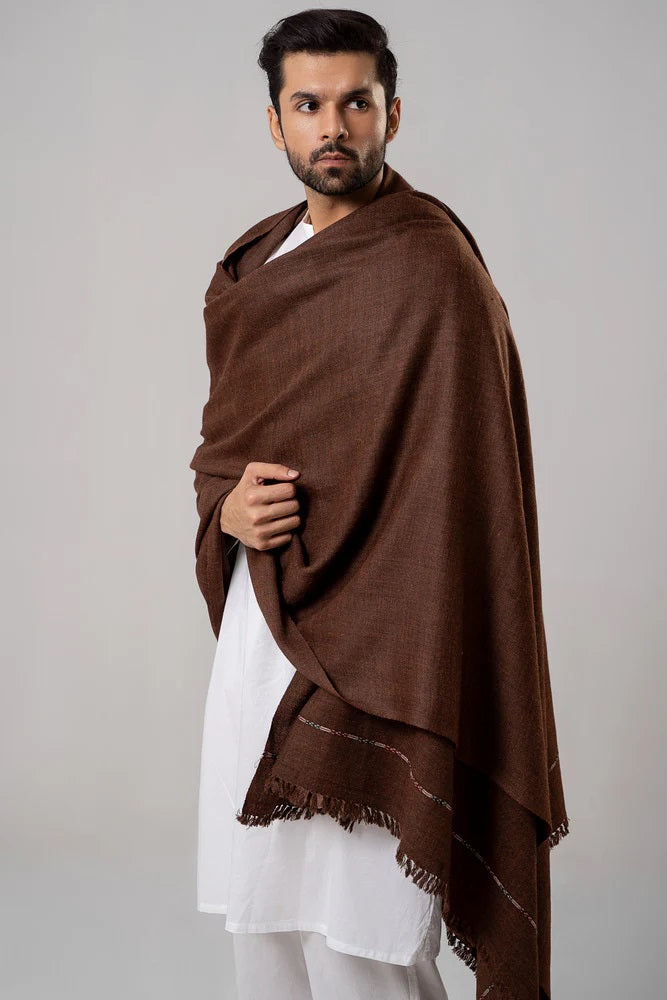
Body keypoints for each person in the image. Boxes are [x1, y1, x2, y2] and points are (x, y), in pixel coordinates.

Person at [191, 8, 568, 1000]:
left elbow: (466, 488)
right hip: (264, 638)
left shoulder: (434, 268)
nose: (333, 126)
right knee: (262, 927)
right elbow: (220, 452)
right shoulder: (250, 270)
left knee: (365, 942)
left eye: (355, 102)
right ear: (274, 121)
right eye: (308, 104)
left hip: (394, 650)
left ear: (390, 113)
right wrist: (226, 512)